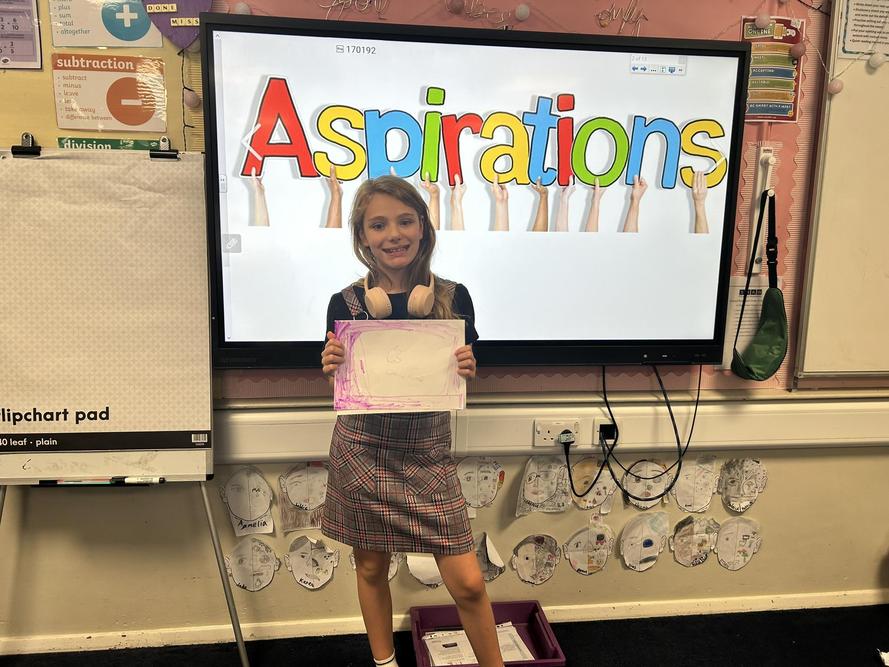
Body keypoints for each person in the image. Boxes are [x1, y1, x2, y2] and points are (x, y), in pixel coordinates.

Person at [320, 175, 504, 667]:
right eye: (378, 225)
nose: (393, 234)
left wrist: (468, 364)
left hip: (426, 454)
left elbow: (465, 366)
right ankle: (384, 663)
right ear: (362, 237)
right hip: (362, 451)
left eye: (405, 221)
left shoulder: (452, 297)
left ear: (423, 227)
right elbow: (343, 375)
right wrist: (332, 364)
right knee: (370, 566)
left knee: (468, 582)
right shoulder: (346, 304)